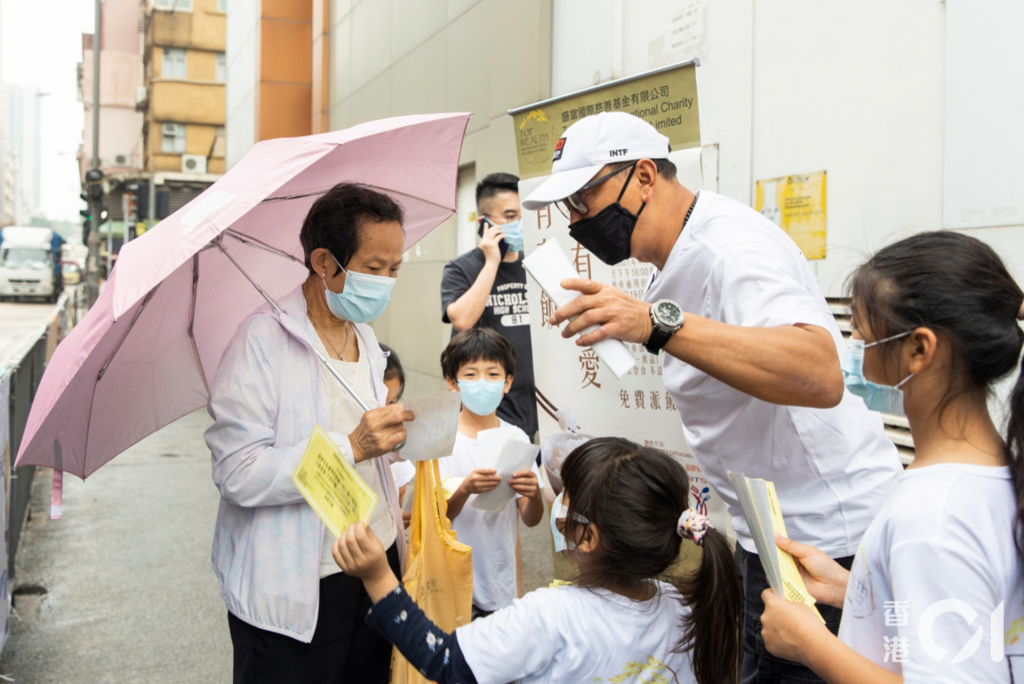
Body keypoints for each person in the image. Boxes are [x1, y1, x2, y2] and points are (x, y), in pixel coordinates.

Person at [522, 111, 903, 682]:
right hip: (771, 533)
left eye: (586, 198)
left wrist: (655, 322)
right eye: (569, 208)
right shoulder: (671, 261)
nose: (578, 220)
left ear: (644, 176)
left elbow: (820, 372)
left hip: (830, 536)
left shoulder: (731, 247)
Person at [758, 231, 1024, 682]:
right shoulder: (994, 477)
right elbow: (977, 620)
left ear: (919, 349)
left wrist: (808, 642)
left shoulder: (931, 517)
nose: (850, 356)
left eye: (860, 337)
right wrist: (861, 591)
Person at [205, 183, 415, 683]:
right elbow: (238, 472)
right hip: (298, 586)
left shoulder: (364, 335)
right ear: (324, 261)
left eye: (395, 270)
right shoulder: (261, 340)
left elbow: (365, 440)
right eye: (373, 268)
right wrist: (353, 445)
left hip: (372, 564)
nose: (385, 282)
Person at [333, 437, 741, 684]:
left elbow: (446, 661)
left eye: (568, 496)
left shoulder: (552, 614)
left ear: (588, 536)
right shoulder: (680, 604)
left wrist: (378, 577)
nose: (558, 502)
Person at [438, 327, 544, 617]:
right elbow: (439, 515)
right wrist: (466, 489)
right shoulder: (444, 441)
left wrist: (534, 495)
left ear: (507, 382)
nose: (482, 382)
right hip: (456, 583)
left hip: (501, 582)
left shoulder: (518, 439)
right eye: (471, 375)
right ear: (453, 382)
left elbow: (531, 519)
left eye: (493, 374)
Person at [441, 173, 538, 438]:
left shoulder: (535, 264)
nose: (517, 223)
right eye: (509, 216)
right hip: (483, 405)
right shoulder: (461, 268)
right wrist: (492, 262)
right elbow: (462, 320)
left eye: (521, 215)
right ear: (484, 222)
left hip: (530, 407)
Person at [381, 343, 414, 525]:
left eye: (392, 402)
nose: (387, 411)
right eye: (378, 402)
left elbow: (402, 492)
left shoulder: (393, 441)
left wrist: (404, 513)